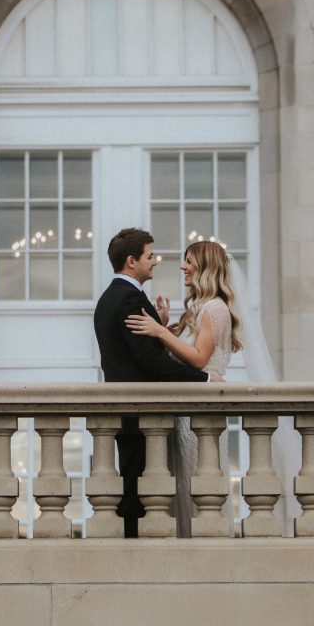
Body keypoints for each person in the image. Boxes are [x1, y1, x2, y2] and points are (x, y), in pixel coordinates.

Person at [126, 240, 299, 537]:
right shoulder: (199, 307)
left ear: (207, 267)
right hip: (185, 411)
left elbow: (199, 359)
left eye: (190, 261)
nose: (183, 267)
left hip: (199, 413)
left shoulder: (216, 308)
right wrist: (166, 327)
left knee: (198, 486)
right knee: (182, 486)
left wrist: (157, 333)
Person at [93, 228, 219, 538]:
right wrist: (203, 379)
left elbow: (133, 352)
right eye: (151, 256)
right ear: (132, 261)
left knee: (134, 485)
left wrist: (161, 328)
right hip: (139, 413)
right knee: (138, 490)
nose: (156, 261)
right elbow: (150, 362)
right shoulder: (130, 298)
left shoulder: (110, 297)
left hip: (127, 411)